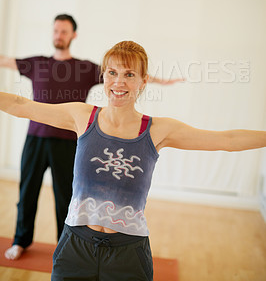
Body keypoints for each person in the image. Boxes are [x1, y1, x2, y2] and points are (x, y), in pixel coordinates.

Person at [0, 40, 265, 281]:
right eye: (112, 73)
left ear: (143, 81)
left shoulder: (158, 129)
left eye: (129, 74)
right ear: (103, 76)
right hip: (74, 247)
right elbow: (20, 105)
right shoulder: (82, 116)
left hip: (128, 254)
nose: (119, 82)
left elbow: (228, 140)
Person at [0, 19, 184, 261]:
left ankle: (64, 242)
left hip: (68, 142)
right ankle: (20, 240)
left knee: (65, 196)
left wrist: (163, 81)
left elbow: (125, 74)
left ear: (73, 35)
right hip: (36, 139)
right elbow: (5, 63)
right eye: (55, 30)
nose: (59, 34)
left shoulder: (85, 68)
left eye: (64, 30)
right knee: (27, 192)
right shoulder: (37, 63)